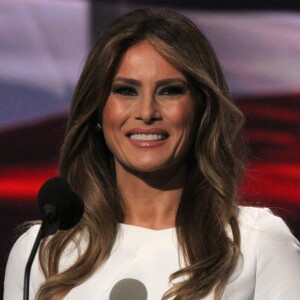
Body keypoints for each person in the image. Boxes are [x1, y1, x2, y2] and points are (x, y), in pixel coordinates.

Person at [4, 8, 300, 300]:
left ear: (201, 110)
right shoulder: (43, 253)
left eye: (169, 91)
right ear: (98, 110)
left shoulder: (256, 243)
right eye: (126, 91)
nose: (146, 113)